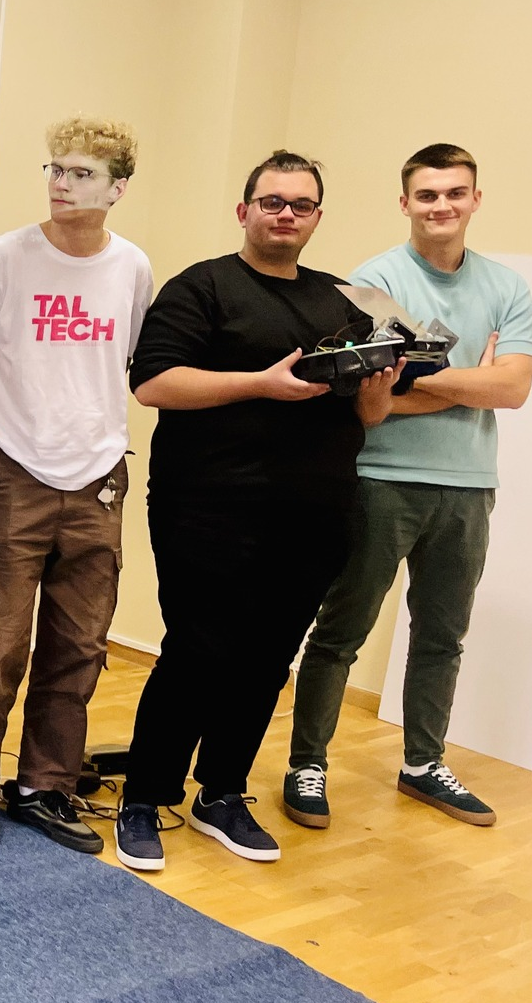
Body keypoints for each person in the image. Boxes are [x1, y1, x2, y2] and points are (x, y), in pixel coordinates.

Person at [115, 150, 398, 873]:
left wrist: (379, 385)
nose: (285, 215)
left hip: (315, 513)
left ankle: (221, 793)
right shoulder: (202, 287)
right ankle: (145, 797)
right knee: (196, 651)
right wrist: (259, 384)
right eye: (272, 202)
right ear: (244, 211)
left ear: (317, 218)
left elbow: (368, 416)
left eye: (300, 205)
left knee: (268, 659)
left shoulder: (347, 301)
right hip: (207, 507)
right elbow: (153, 384)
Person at [285, 144, 532, 830]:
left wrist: (425, 377)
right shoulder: (375, 281)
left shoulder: (507, 286)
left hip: (468, 486)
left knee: (442, 636)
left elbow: (513, 389)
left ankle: (424, 764)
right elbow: (374, 399)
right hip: (381, 480)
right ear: (405, 204)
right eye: (427, 195)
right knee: (341, 632)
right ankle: (307, 765)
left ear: (475, 200)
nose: (441, 206)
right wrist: (473, 381)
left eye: (455, 193)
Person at [0, 119, 154, 854]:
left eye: (81, 173)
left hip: (100, 478)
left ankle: (44, 786)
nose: (61, 184)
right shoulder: (3, 258)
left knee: (80, 643)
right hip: (19, 476)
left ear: (117, 189)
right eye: (55, 169)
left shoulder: (132, 267)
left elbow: (127, 360)